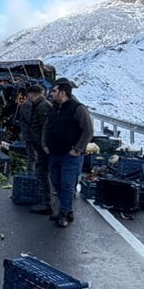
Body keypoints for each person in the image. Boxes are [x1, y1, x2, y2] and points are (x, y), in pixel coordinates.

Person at [42, 79, 93, 228]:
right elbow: (47, 127)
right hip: (54, 153)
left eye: (53, 91)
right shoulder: (54, 108)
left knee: (67, 184)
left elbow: (88, 130)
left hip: (70, 156)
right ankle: (67, 210)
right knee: (56, 182)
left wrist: (77, 149)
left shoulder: (78, 109)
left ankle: (64, 213)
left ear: (62, 93)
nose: (51, 93)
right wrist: (44, 144)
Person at [13, 84, 52, 213]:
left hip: (38, 141)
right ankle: (34, 178)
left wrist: (43, 143)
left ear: (30, 94)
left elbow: (41, 126)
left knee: (38, 165)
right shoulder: (32, 105)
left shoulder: (38, 105)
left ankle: (45, 199)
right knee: (35, 159)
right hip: (34, 139)